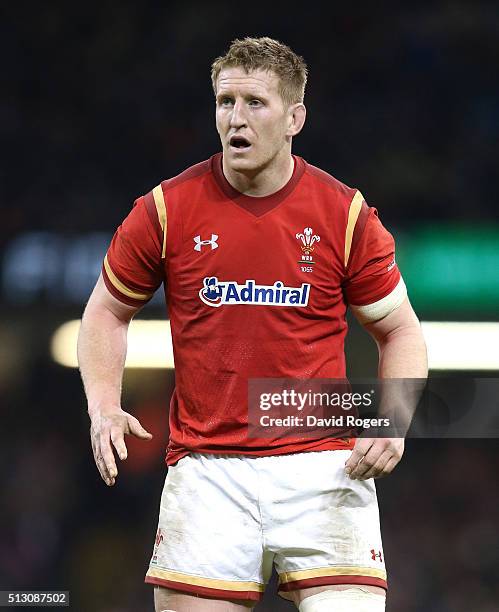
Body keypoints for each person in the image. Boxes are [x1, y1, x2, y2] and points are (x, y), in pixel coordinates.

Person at [77, 37, 427, 612]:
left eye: (254, 103)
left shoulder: (344, 214)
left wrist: (393, 420)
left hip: (323, 465)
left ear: (295, 118)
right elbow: (106, 311)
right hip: (207, 471)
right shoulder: (165, 210)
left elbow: (401, 330)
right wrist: (103, 404)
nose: (235, 118)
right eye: (224, 101)